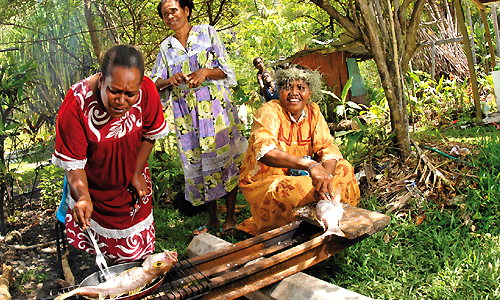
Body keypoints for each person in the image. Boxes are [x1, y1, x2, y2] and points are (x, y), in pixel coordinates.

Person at [52, 45, 169, 263]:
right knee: (104, 259)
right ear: (101, 79)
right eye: (114, 91)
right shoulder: (76, 104)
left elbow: (150, 134)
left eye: (130, 94)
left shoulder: (147, 90)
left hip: (133, 182)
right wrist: (83, 197)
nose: (122, 100)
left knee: (139, 256)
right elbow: (74, 163)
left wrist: (136, 172)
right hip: (96, 188)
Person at [151, 0, 247, 236]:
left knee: (225, 159)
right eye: (165, 14)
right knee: (199, 162)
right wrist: (170, 79)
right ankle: (213, 218)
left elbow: (227, 70)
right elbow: (154, 83)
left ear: (186, 10)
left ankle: (231, 216)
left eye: (173, 10)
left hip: (216, 107)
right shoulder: (166, 47)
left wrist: (205, 72)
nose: (170, 16)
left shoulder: (207, 33)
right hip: (186, 115)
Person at [238, 65, 360, 235]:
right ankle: (306, 224)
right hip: (268, 181)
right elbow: (265, 152)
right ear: (279, 91)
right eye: (287, 87)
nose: (294, 93)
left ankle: (329, 215)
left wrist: (326, 178)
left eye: (301, 88)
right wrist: (311, 166)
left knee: (345, 168)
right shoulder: (268, 111)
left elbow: (327, 148)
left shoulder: (314, 112)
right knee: (300, 189)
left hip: (302, 175)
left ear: (310, 93)